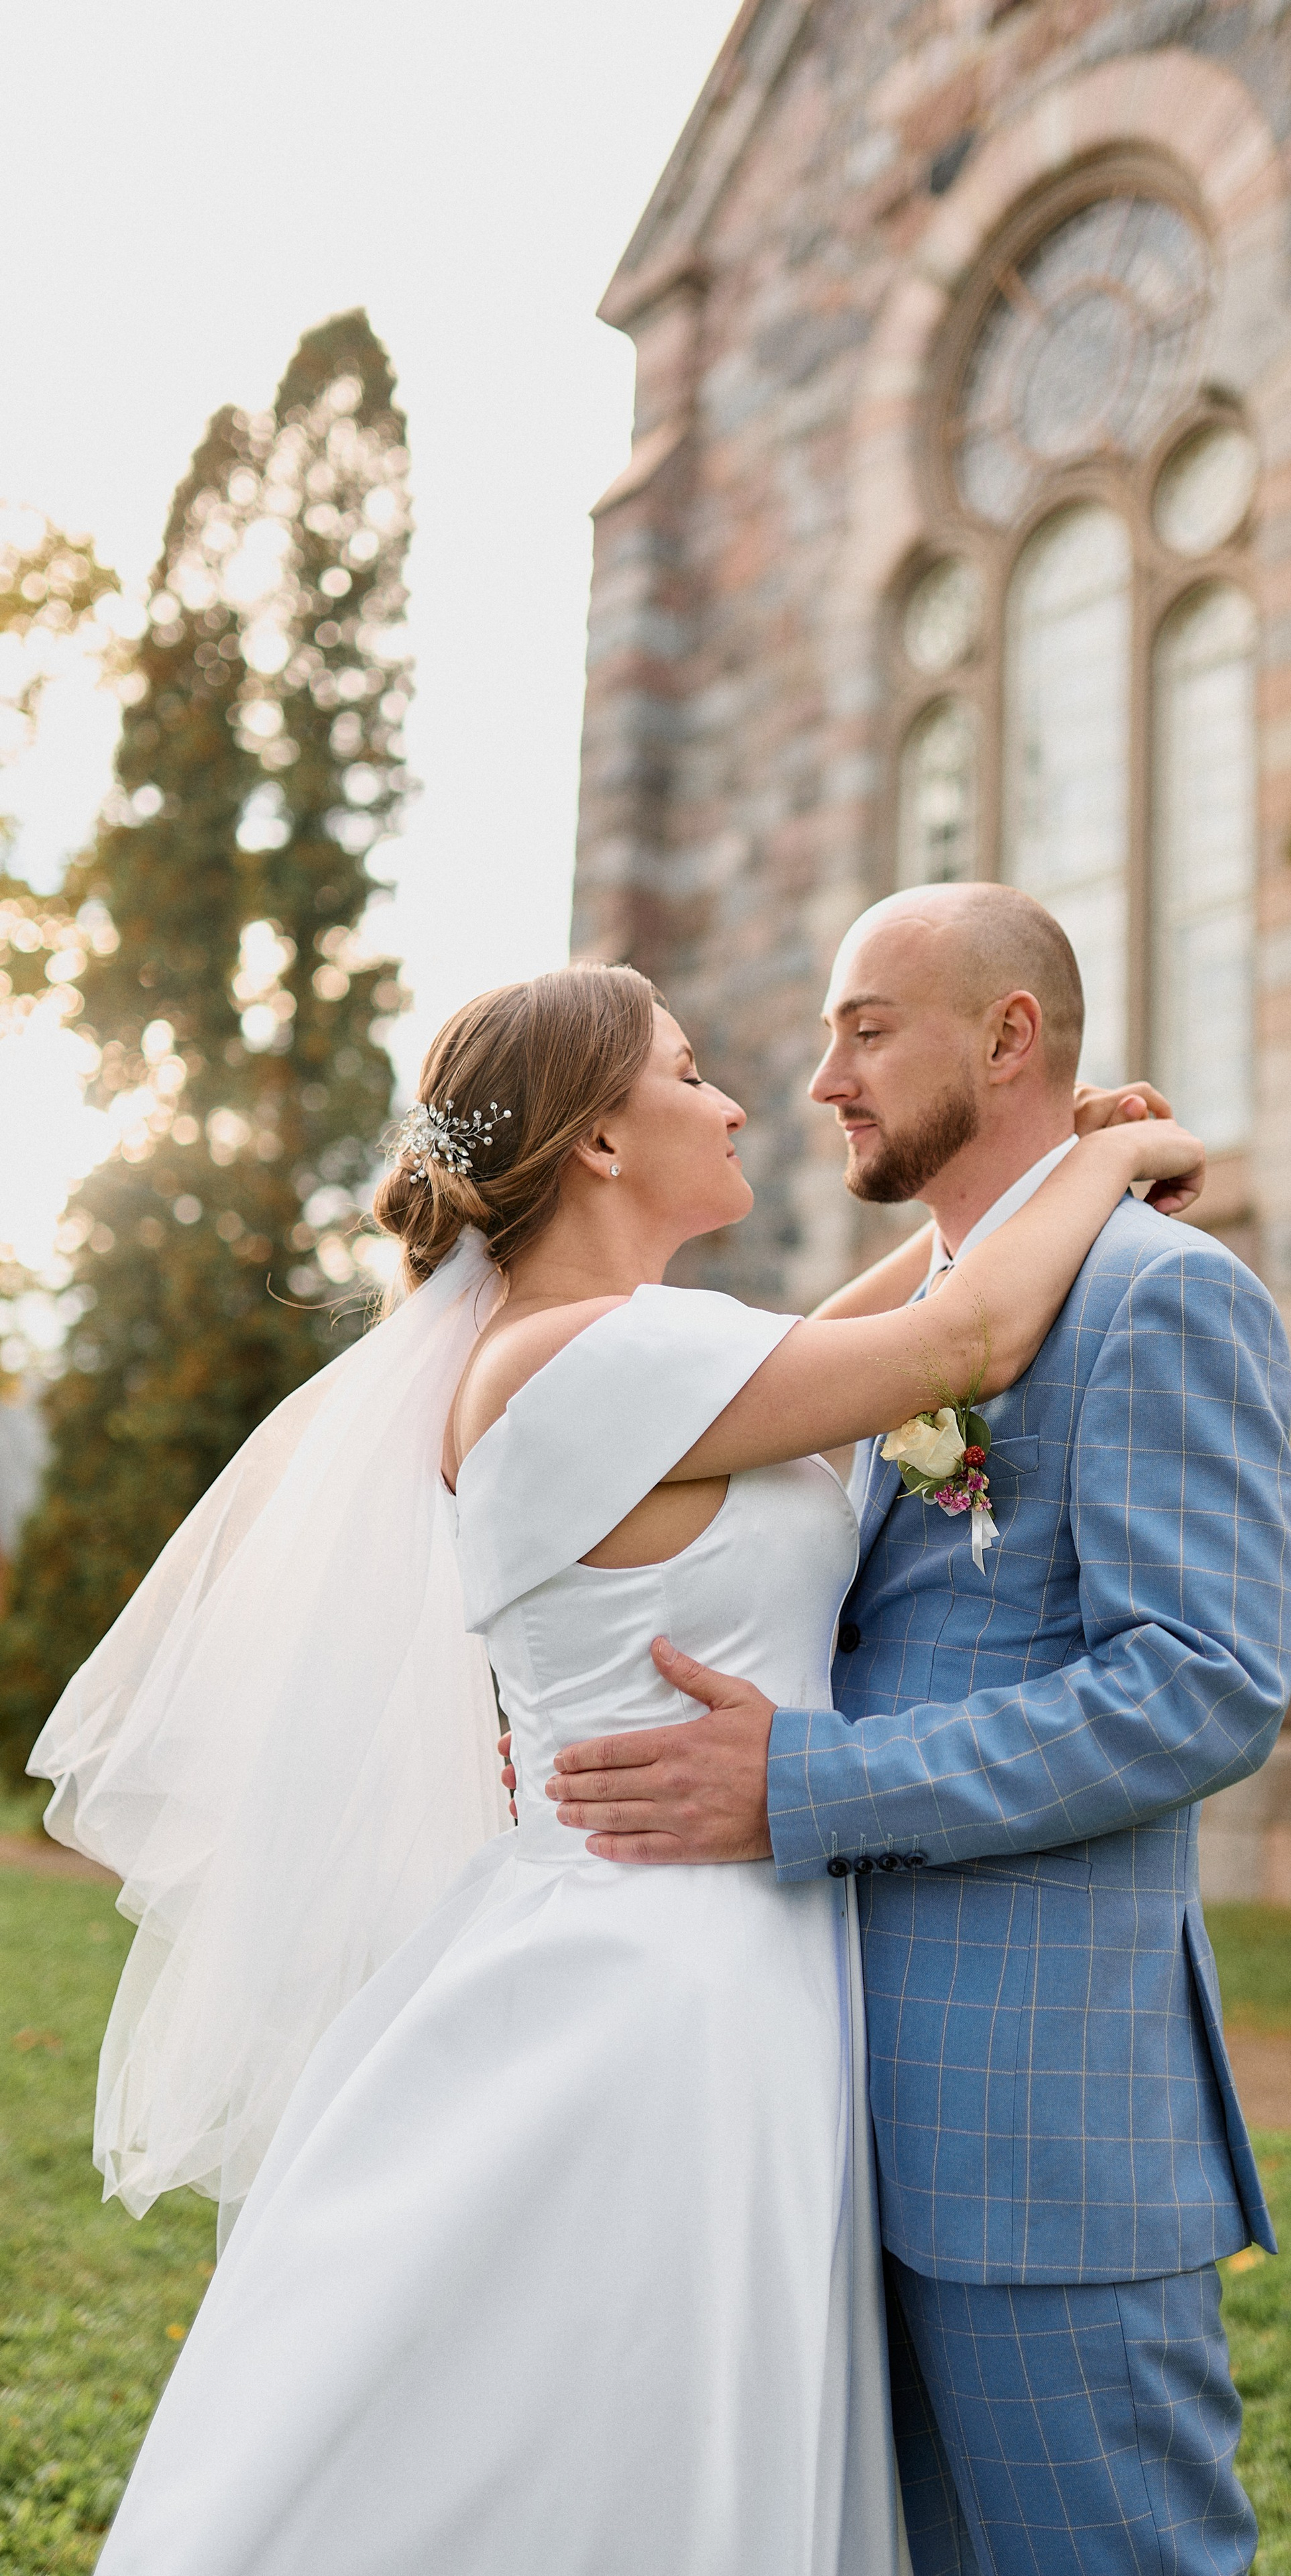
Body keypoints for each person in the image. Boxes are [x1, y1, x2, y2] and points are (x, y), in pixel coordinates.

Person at [30, 957, 1206, 2576]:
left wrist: (1024, 1183)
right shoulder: (597, 1360)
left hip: (666, 1933)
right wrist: (1110, 1161)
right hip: (668, 1980)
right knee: (619, 2423)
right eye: (691, 1070)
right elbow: (971, 1340)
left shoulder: (590, 1349)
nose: (734, 1100)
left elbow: (852, 1333)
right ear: (596, 1139)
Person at [542, 887, 1291, 2576]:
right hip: (814, 2112)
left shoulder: (1158, 1296)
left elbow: (1205, 1680)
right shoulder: (933, 1315)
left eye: (864, 1029)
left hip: (1036, 2131)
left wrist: (805, 1780)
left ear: (1007, 1038)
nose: (821, 1078)